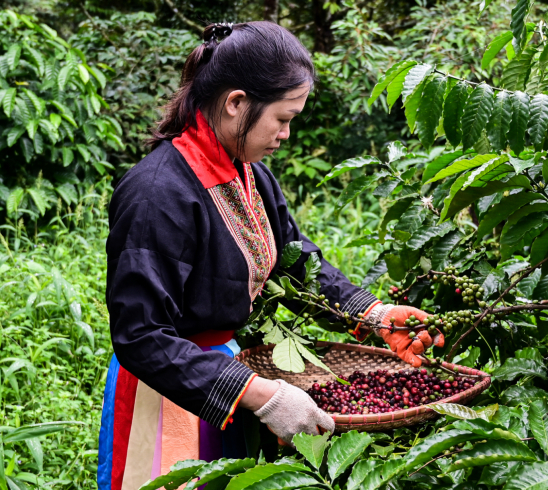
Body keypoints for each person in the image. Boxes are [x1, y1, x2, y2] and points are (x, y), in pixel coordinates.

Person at [96, 20, 444, 490]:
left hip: (232, 377)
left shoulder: (250, 175)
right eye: (281, 119)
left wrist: (375, 315)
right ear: (236, 103)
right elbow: (141, 335)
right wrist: (260, 394)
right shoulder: (157, 192)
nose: (284, 134)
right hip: (169, 390)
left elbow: (297, 266)